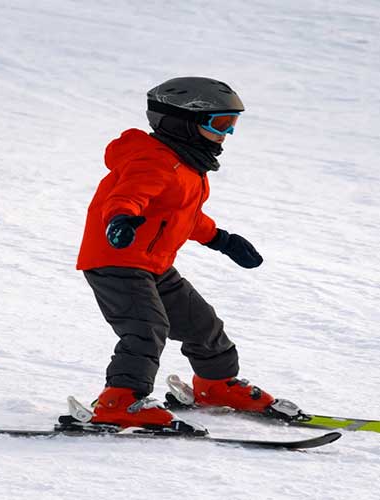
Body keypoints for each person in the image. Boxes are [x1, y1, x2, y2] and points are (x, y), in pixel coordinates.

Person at [77, 76, 280, 429]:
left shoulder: (187, 166)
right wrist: (121, 220)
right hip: (116, 260)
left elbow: (184, 216)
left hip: (153, 264)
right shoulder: (153, 161)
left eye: (232, 124)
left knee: (202, 325)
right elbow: (128, 196)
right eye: (219, 123)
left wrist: (222, 239)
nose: (227, 134)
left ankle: (215, 385)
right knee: (146, 328)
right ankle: (118, 401)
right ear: (181, 122)